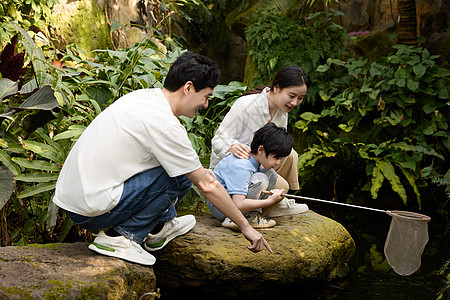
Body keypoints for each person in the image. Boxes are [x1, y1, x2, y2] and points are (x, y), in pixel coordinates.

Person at [52, 51, 273, 266]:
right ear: (188, 88)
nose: (205, 105)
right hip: (92, 211)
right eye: (205, 96)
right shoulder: (165, 125)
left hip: (78, 201)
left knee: (184, 166)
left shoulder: (144, 98)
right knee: (186, 175)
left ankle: (159, 227)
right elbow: (206, 184)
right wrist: (245, 226)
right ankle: (121, 237)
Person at [210, 66, 310, 217]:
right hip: (235, 169)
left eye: (300, 98)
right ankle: (264, 204)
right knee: (281, 184)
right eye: (292, 95)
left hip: (257, 164)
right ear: (276, 88)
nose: (295, 102)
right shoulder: (246, 105)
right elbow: (218, 139)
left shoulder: (282, 112)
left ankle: (274, 201)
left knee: (289, 153)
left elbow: (278, 145)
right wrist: (231, 147)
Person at [208, 122, 304, 231]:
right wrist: (270, 201)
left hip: (229, 203)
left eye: (280, 159)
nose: (278, 162)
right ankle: (237, 219)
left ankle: (252, 216)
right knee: (261, 179)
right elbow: (238, 204)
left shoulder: (252, 156)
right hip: (222, 208)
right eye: (276, 157)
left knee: (271, 174)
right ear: (261, 150)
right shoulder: (242, 165)